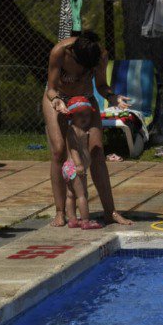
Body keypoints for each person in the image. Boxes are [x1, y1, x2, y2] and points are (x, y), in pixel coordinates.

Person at [44, 31, 133, 228]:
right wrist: (56, 100)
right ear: (73, 54)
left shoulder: (99, 54)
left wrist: (112, 97)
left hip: (84, 101)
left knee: (97, 150)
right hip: (58, 99)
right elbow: (51, 88)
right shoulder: (60, 52)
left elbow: (101, 86)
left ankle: (110, 212)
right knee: (59, 150)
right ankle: (60, 211)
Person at [60, 96, 101, 229]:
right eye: (80, 115)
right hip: (75, 167)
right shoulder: (73, 130)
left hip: (69, 168)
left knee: (71, 195)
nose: (85, 118)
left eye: (87, 115)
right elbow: (73, 149)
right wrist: (79, 165)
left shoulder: (79, 129)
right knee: (82, 195)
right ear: (72, 115)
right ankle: (85, 221)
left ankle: (72, 220)